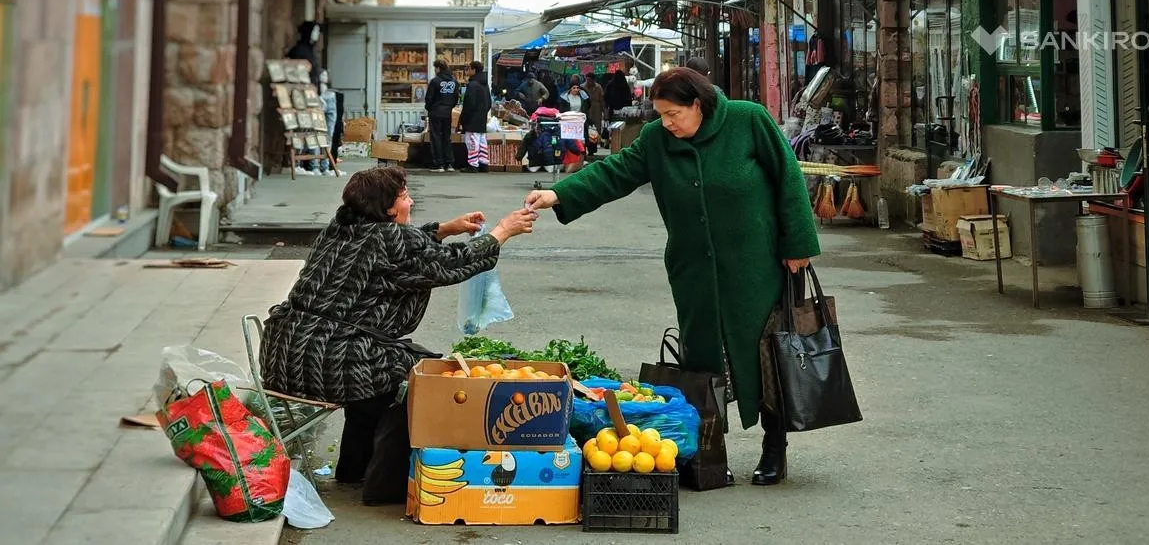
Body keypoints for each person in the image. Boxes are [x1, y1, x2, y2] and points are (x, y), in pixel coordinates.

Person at [524, 67, 820, 486]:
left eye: (673, 114)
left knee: (765, 355)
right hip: (693, 270)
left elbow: (787, 179)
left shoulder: (748, 120)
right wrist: (560, 194)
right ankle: (710, 454)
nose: (666, 123)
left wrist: (798, 245)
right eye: (660, 115)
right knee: (701, 361)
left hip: (754, 265)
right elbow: (616, 172)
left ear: (697, 104)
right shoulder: (657, 141)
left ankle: (775, 447)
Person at [259, 167, 539, 505]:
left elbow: (402, 252)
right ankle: (384, 485)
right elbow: (452, 263)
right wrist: (501, 232)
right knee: (420, 377)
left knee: (388, 363)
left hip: (284, 352)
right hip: (327, 360)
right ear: (388, 208)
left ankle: (354, 468)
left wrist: (444, 230)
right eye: (404, 197)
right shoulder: (390, 240)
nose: (411, 201)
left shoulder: (342, 226)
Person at [425, 59, 460, 172]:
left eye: (435, 68)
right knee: (446, 138)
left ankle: (438, 164)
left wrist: (429, 108)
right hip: (447, 113)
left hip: (435, 112)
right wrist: (449, 107)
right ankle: (449, 163)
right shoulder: (454, 82)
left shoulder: (435, 81)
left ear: (439, 68)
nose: (435, 70)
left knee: (436, 137)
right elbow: (456, 99)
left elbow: (429, 98)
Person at [459, 61, 491, 173]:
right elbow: (489, 102)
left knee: (472, 141)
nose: (467, 70)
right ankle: (483, 163)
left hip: (472, 118)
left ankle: (473, 164)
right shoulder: (485, 84)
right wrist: (483, 112)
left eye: (469, 68)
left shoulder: (472, 84)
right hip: (482, 117)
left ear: (474, 70)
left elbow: (469, 104)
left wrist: (463, 118)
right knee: (482, 141)